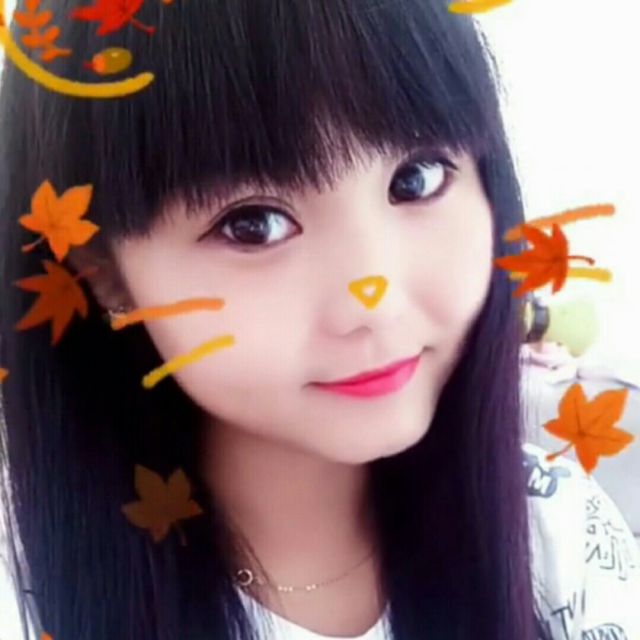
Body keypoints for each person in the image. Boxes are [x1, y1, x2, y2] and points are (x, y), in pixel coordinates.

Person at [0, 0, 638, 639]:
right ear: (104, 271)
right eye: (253, 225)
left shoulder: (555, 532)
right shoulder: (23, 590)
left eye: (416, 179)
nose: (377, 304)